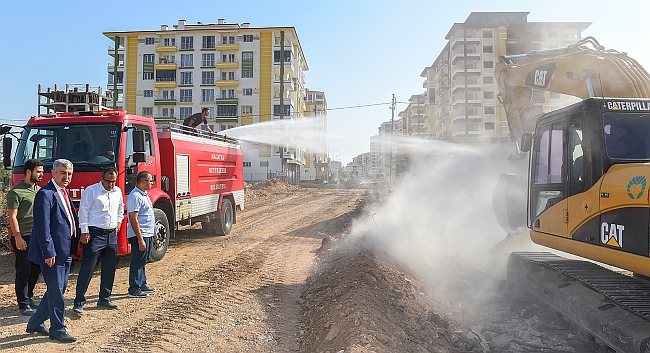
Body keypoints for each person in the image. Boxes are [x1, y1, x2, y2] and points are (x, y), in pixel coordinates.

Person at [26, 159, 79, 343]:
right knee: (56, 292)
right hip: (52, 254)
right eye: (63, 173)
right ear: (54, 173)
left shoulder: (63, 192)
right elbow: (42, 227)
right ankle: (58, 329)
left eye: (69, 174)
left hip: (65, 252)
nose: (66, 177)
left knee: (58, 289)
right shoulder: (46, 194)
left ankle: (36, 322)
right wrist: (48, 252)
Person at [73, 167, 124, 315]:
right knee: (88, 267)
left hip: (111, 234)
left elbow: (120, 208)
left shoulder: (117, 192)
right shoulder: (92, 190)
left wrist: (119, 222)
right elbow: (83, 211)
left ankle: (104, 298)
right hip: (95, 234)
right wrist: (85, 231)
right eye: (108, 181)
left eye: (113, 181)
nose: (111, 185)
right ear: (102, 179)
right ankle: (79, 302)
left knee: (109, 267)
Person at [7, 159, 44, 316]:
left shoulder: (40, 190)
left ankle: (29, 297)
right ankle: (23, 304)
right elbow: (12, 217)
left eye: (42, 171)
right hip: (24, 237)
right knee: (23, 270)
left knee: (36, 269)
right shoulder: (15, 192)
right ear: (29, 172)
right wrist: (18, 238)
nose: (41, 174)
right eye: (39, 172)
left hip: (38, 237)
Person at [126, 171, 156, 298]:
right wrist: (140, 239)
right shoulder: (135, 196)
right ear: (143, 182)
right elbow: (133, 219)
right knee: (137, 261)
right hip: (140, 234)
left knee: (143, 260)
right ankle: (134, 288)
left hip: (147, 233)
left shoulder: (144, 194)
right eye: (150, 181)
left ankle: (142, 283)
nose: (152, 183)